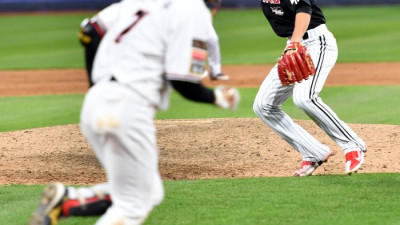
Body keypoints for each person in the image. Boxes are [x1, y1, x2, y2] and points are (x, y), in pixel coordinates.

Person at [29, 0, 239, 225]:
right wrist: (216, 97)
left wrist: (98, 91)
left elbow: (90, 32)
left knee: (146, 192)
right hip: (129, 110)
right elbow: (182, 80)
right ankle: (68, 200)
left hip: (95, 103)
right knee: (133, 206)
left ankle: (68, 200)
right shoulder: (192, 9)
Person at [253, 0, 366, 176]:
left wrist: (295, 42)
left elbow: (304, 7)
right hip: (292, 46)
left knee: (305, 98)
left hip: (316, 42)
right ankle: (313, 152)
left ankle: (353, 145)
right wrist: (292, 45)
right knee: (262, 105)